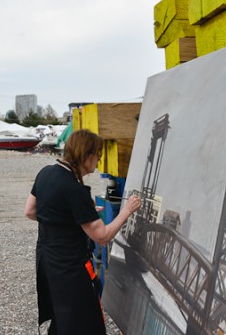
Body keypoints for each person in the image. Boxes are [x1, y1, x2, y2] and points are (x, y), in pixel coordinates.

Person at [24, 129, 142, 334]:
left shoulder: (46, 173)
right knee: (85, 322)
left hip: (47, 260)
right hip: (70, 267)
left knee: (62, 317)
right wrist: (127, 211)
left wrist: (76, 216)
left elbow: (31, 211)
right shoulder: (74, 189)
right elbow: (102, 236)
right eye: (98, 155)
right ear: (86, 155)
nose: (98, 161)